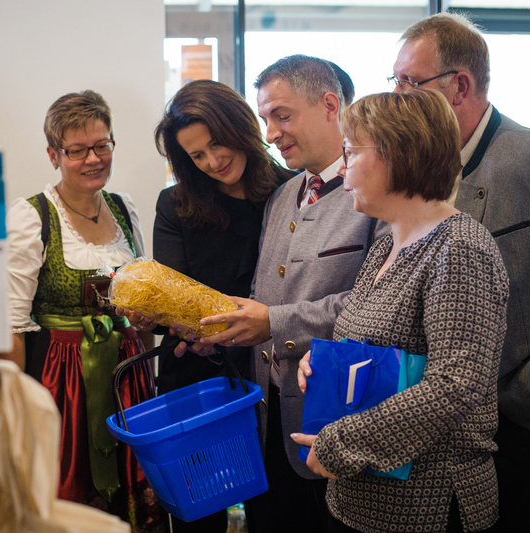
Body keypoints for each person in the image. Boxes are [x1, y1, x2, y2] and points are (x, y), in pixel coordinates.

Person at [391, 13, 530, 532]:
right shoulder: (424, 163)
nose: (398, 96)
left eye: (408, 83)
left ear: (459, 85)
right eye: (393, 82)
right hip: (443, 421)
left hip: (521, 410)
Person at [183, 55, 385, 533]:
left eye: (282, 115)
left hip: (338, 420)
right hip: (267, 420)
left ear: (330, 105)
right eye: (266, 118)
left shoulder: (379, 192)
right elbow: (263, 293)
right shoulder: (281, 196)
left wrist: (273, 322)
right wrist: (229, 332)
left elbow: (375, 305)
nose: (270, 133)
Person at [295, 89, 509, 533]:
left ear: (398, 154)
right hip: (365, 498)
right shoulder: (388, 242)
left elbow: (455, 386)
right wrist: (322, 360)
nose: (344, 166)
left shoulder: (460, 247)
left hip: (426, 506)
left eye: (351, 152)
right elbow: (371, 342)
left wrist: (341, 443)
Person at [3, 90, 165, 532]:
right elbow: (12, 325)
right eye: (78, 150)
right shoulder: (31, 216)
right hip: (61, 379)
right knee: (67, 487)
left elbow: (142, 300)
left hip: (125, 378)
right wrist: (18, 411)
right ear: (54, 154)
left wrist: (147, 379)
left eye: (102, 145)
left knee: (135, 490)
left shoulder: (124, 208)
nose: (93, 159)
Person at [140, 79, 289, 533]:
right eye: (196, 156)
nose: (212, 161)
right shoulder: (177, 204)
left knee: (276, 508)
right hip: (196, 374)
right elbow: (172, 296)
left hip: (269, 369)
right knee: (198, 513)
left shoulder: (289, 193)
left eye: (216, 144)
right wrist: (197, 333)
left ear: (241, 126)